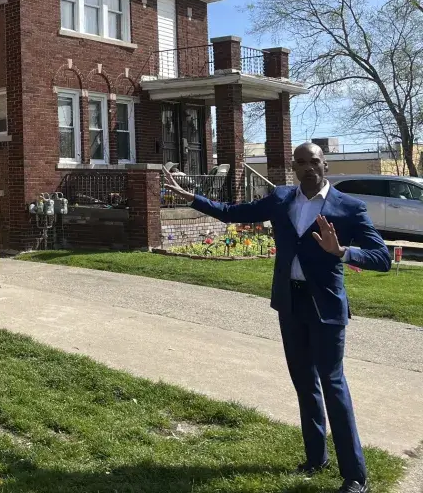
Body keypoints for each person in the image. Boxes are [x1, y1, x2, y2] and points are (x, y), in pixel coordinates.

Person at [164, 142, 390, 493]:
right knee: (304, 383)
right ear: (294, 168)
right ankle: (316, 458)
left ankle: (355, 475)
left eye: (313, 161)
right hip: (290, 303)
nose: (307, 167)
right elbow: (230, 212)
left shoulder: (349, 207)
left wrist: (342, 251)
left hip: (326, 308)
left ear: (325, 164)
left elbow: (382, 257)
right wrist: (190, 197)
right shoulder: (282, 198)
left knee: (332, 385)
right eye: (300, 162)